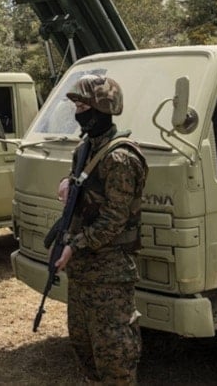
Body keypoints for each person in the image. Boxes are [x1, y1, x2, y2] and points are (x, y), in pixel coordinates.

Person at [53, 74, 148, 385]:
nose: (78, 112)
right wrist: (70, 184)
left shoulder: (120, 158)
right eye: (76, 106)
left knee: (114, 352)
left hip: (110, 269)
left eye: (82, 105)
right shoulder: (86, 149)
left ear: (101, 108)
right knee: (83, 343)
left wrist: (75, 245)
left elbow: (114, 220)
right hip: (83, 270)